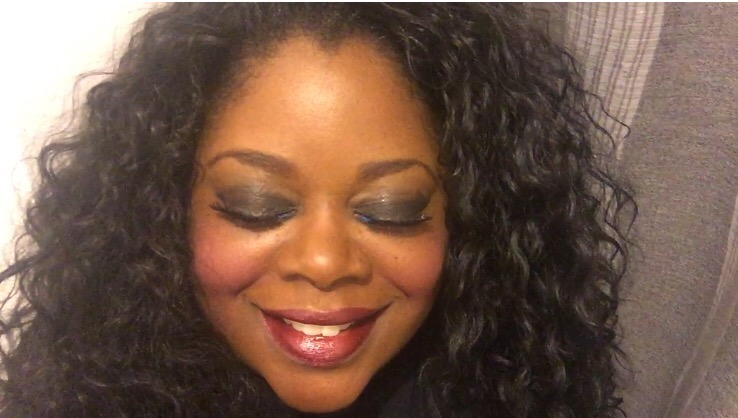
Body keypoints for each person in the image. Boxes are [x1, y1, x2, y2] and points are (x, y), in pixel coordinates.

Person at [0, 4, 635, 417]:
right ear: (165, 211)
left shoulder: (516, 391)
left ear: (468, 217)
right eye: (256, 206)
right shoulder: (76, 392)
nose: (325, 262)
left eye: (391, 209)